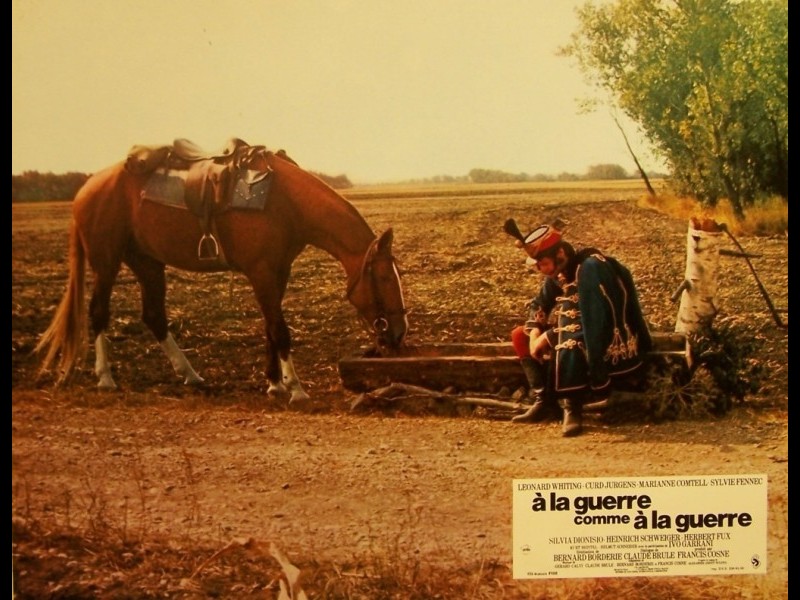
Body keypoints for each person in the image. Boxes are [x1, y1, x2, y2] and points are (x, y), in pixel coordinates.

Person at [504, 219, 652, 436]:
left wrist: (549, 337)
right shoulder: (560, 271)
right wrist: (535, 332)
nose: (542, 270)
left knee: (570, 344)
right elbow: (540, 303)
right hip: (575, 327)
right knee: (519, 335)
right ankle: (544, 400)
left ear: (560, 254)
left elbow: (597, 319)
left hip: (604, 332)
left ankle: (572, 407)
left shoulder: (591, 267)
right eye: (538, 265)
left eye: (543, 264)